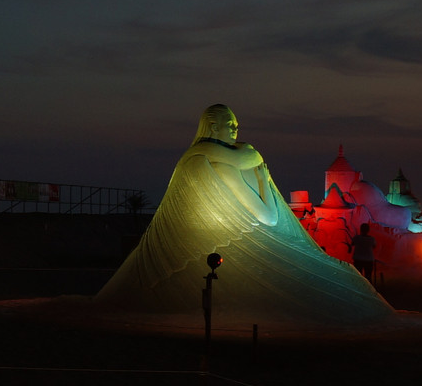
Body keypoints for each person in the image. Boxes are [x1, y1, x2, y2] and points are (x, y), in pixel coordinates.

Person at [97, 104, 390, 324]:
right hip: (218, 247)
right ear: (213, 127)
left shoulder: (199, 160)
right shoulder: (226, 164)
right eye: (230, 124)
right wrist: (262, 180)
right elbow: (268, 217)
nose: (235, 129)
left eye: (236, 124)